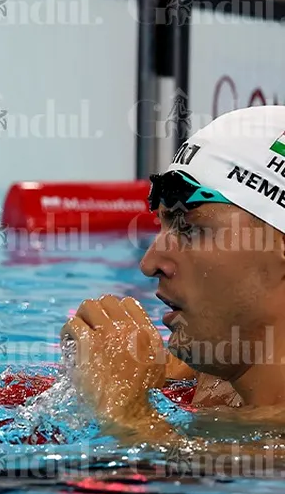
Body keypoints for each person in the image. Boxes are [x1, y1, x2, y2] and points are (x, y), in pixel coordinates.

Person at [64, 105, 285, 450]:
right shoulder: (216, 366)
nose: (150, 264)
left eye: (191, 229)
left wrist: (127, 413)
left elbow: (185, 475)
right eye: (164, 225)